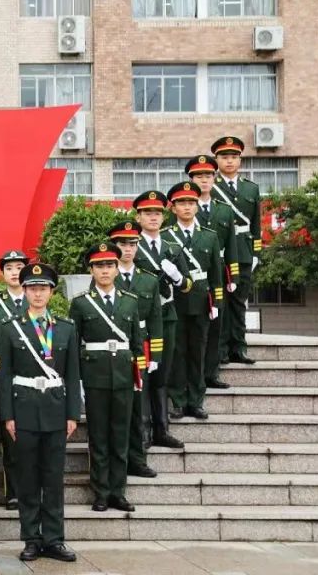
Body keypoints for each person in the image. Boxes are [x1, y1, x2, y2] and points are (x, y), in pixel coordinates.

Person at [0, 263, 80, 563]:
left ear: (51, 292)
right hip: (24, 410)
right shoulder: (11, 327)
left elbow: (73, 374)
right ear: (24, 291)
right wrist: (8, 416)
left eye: (43, 288)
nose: (37, 293)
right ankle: (31, 538)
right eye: (32, 288)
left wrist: (73, 414)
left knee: (53, 479)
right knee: (28, 479)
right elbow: (5, 376)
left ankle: (55, 539)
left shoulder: (66, 327)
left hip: (56, 410)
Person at [70, 242, 144, 513]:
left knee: (121, 436)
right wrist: (77, 380)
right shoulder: (81, 303)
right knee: (99, 437)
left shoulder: (130, 301)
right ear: (91, 270)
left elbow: (137, 342)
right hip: (95, 376)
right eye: (99, 266)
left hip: (123, 376)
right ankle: (101, 492)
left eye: (110, 265)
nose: (105, 270)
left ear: (117, 269)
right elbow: (73, 344)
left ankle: (118, 492)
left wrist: (138, 374)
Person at [164, 181, 224, 420]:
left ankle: (196, 401)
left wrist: (217, 302)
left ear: (197, 206)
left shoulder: (209, 236)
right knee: (177, 352)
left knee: (198, 351)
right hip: (175, 300)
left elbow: (217, 273)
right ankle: (178, 400)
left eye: (191, 202)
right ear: (173, 208)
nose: (187, 207)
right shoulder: (167, 236)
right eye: (182, 203)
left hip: (201, 300)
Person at [132, 191, 187, 450]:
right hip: (141, 319)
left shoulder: (172, 247)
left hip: (166, 315)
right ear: (138, 217)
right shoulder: (131, 246)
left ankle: (162, 429)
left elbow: (187, 285)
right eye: (147, 213)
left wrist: (177, 277)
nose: (153, 217)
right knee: (143, 374)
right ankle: (143, 430)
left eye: (157, 213)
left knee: (162, 373)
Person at [108, 221, 162, 479]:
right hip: (116, 350)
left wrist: (156, 355)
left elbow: (156, 319)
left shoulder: (148, 280)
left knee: (139, 408)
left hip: (141, 348)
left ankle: (138, 460)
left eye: (132, 244)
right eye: (122, 244)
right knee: (118, 410)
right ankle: (118, 460)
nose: (127, 249)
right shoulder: (106, 276)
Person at [187, 154, 243, 390]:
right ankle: (194, 377)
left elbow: (231, 246)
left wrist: (234, 275)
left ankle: (212, 373)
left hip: (218, 274)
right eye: (199, 176)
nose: (204, 180)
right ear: (191, 179)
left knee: (217, 326)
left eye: (208, 175)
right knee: (195, 331)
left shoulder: (224, 210)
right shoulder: (184, 208)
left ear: (214, 178)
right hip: (194, 276)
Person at [0, 249, 29, 510]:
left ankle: (33, 490)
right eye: (9, 268)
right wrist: (3, 375)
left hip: (35, 379)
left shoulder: (36, 298)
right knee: (10, 436)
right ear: (2, 273)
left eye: (19, 267)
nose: (14, 272)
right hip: (6, 379)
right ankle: (13, 491)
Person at [211, 136, 261, 366]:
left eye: (233, 157)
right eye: (224, 157)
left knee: (239, 302)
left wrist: (256, 253)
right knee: (221, 302)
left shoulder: (251, 188)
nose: (229, 161)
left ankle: (239, 348)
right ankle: (221, 350)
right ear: (217, 160)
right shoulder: (211, 188)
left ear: (240, 160)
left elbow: (256, 225)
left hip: (243, 252)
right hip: (220, 252)